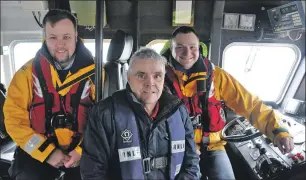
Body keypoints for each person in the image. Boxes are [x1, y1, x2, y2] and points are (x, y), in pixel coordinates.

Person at [162, 26, 294, 180]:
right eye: (180, 47)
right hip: (178, 149)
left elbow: (250, 105)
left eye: (193, 47)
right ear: (170, 49)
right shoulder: (159, 77)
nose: (187, 53)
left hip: (213, 147)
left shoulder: (216, 75)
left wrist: (278, 130)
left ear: (199, 48)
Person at [80, 47, 199, 180]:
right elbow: (93, 172)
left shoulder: (179, 111)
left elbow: (192, 165)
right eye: (141, 75)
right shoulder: (105, 114)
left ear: (163, 78)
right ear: (128, 77)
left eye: (157, 76)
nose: (150, 83)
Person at [3, 9, 95, 180]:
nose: (60, 44)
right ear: (45, 38)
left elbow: (103, 121)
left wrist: (82, 151)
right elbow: (14, 120)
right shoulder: (26, 74)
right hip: (38, 152)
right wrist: (47, 152)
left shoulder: (97, 74)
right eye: (53, 37)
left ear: (76, 36)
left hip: (82, 152)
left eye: (66, 37)